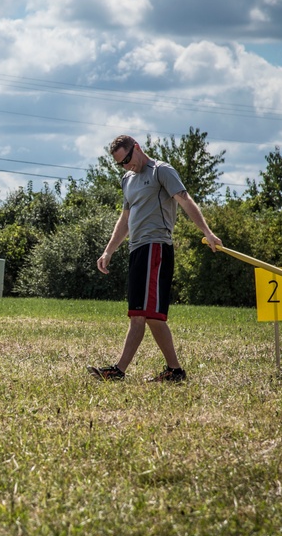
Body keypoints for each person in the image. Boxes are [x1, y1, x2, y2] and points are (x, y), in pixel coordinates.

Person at [89, 135, 222, 384]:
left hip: (156, 247)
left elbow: (185, 200)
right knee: (147, 315)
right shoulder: (127, 179)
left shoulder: (162, 171)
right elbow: (125, 218)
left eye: (128, 159)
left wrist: (207, 232)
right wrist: (109, 250)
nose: (127, 165)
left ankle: (118, 371)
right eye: (121, 163)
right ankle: (174, 371)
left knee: (142, 315)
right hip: (137, 249)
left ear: (137, 148)